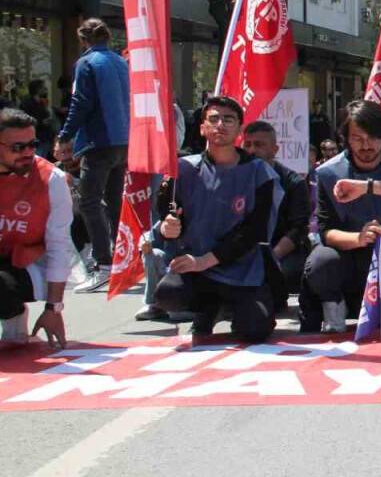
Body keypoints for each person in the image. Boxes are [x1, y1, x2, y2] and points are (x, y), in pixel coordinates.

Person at [152, 97, 281, 342]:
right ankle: (206, 310)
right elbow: (169, 216)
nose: (220, 124)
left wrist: (205, 260)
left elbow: (254, 232)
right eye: (213, 119)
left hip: (242, 269)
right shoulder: (183, 170)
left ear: (240, 129)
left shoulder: (259, 172)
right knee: (169, 294)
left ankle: (231, 308)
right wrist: (169, 229)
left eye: (228, 119)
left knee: (255, 329)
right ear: (202, 128)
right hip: (194, 267)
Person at [303, 100, 381, 333]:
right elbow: (326, 231)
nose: (366, 146)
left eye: (373, 138)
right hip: (348, 255)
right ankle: (334, 313)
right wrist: (358, 239)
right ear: (346, 139)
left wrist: (368, 187)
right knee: (320, 262)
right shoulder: (329, 172)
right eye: (357, 138)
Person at [58, 19, 129, 293]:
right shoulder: (119, 62)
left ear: (83, 39)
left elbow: (81, 103)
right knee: (113, 202)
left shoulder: (86, 64)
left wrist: (65, 133)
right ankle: (122, 257)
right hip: (122, 139)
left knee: (89, 201)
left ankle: (104, 263)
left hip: (99, 141)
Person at [0, 109, 73, 349]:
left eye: (32, 145)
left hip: (28, 263)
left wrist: (54, 308)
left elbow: (58, 247)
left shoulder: (52, 181)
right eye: (17, 147)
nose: (27, 153)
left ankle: (13, 317)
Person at [241, 121, 312, 315]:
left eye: (259, 145)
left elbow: (298, 229)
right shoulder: (235, 178)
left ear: (275, 149)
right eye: (247, 144)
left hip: (282, 251)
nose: (252, 150)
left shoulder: (294, 183)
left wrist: (270, 258)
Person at [20, 80, 54, 158]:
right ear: (38, 89)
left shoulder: (42, 102)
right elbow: (25, 120)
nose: (45, 89)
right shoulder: (27, 103)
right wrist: (41, 122)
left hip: (45, 138)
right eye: (43, 87)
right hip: (36, 138)